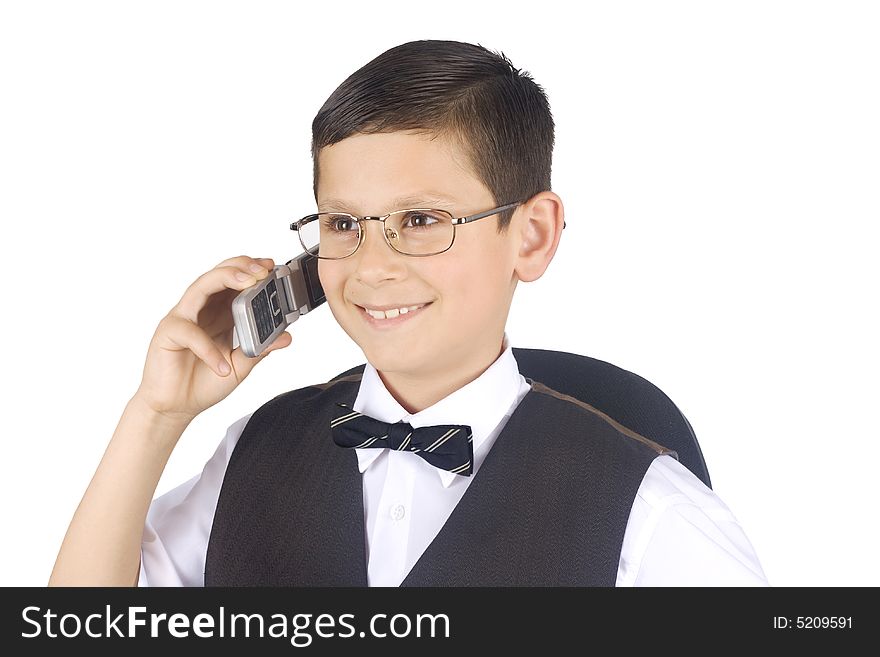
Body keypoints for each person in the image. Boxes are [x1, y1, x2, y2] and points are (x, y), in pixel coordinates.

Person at [49, 39, 768, 587]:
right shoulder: (254, 454)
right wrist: (156, 416)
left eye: (421, 219)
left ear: (532, 234)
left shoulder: (650, 510)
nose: (370, 267)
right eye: (342, 224)